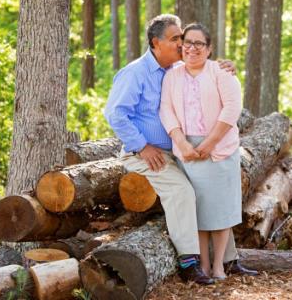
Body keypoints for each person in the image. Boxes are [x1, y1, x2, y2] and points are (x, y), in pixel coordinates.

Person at [104, 14, 257, 285]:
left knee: (209, 194)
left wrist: (225, 65)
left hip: (175, 151)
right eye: (175, 39)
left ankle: (227, 260)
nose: (181, 44)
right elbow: (116, 114)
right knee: (182, 191)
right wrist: (142, 146)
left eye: (182, 39)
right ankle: (189, 261)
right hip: (145, 154)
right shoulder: (135, 73)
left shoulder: (174, 70)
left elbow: (205, 74)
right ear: (156, 42)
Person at [159, 23, 243, 280]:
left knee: (221, 209)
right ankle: (204, 265)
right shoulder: (173, 74)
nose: (192, 48)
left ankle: (219, 265)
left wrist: (209, 143)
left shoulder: (221, 72)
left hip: (219, 148)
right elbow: (166, 110)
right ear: (181, 46)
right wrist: (182, 143)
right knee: (200, 210)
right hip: (187, 150)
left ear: (209, 49)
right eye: (188, 42)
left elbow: (232, 108)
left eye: (199, 44)